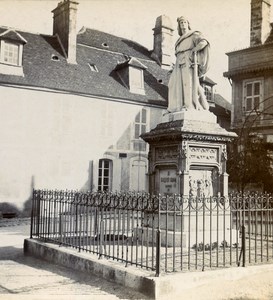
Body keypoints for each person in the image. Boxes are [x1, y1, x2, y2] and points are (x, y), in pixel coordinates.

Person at [168, 16, 210, 112]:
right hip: (178, 62)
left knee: (188, 83)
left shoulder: (193, 35)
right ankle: (174, 107)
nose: (183, 24)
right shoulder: (179, 40)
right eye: (181, 23)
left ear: (188, 24)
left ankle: (189, 106)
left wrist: (194, 50)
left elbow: (204, 42)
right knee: (172, 84)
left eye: (184, 22)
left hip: (188, 60)